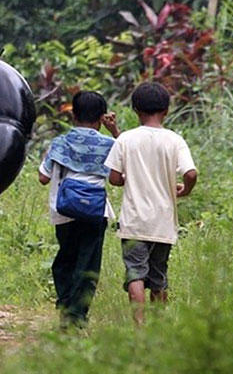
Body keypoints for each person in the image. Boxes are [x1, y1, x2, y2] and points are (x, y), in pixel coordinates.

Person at [105, 82, 197, 325]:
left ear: (136, 110)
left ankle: (139, 325)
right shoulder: (174, 140)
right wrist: (184, 190)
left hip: (134, 221)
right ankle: (159, 326)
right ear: (166, 110)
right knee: (158, 273)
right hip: (162, 222)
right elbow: (190, 173)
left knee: (135, 272)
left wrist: (128, 178)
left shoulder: (126, 139)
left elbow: (114, 177)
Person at [38, 91, 120, 328]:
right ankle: (77, 317)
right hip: (96, 212)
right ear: (102, 117)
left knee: (65, 260)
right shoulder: (110, 144)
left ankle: (65, 306)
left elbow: (43, 178)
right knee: (88, 265)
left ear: (73, 115)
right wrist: (114, 131)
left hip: (63, 211)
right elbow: (123, 168)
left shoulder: (61, 142)